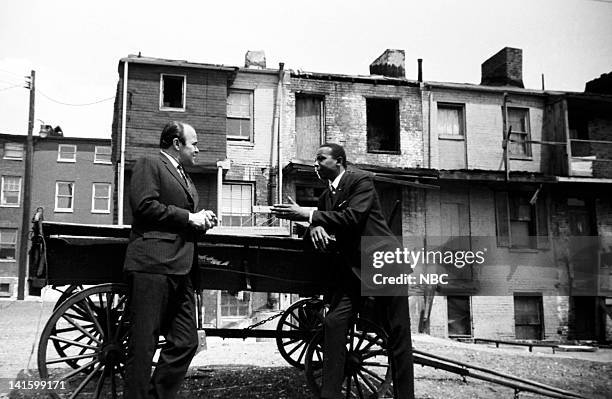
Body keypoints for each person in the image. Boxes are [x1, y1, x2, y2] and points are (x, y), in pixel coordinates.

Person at [272, 143, 414, 399]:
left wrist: (309, 215)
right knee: (334, 323)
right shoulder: (326, 195)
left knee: (398, 336)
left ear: (338, 161)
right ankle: (330, 395)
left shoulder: (360, 180)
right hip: (354, 270)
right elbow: (325, 220)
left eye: (320, 159)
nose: (315, 164)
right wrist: (314, 226)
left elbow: (352, 218)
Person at [123, 121, 216, 399]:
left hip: (181, 267)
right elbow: (144, 206)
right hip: (152, 264)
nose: (198, 149)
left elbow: (178, 214)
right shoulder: (149, 163)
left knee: (187, 342)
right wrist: (190, 217)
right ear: (177, 143)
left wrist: (200, 221)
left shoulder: (184, 174)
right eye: (194, 143)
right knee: (143, 344)